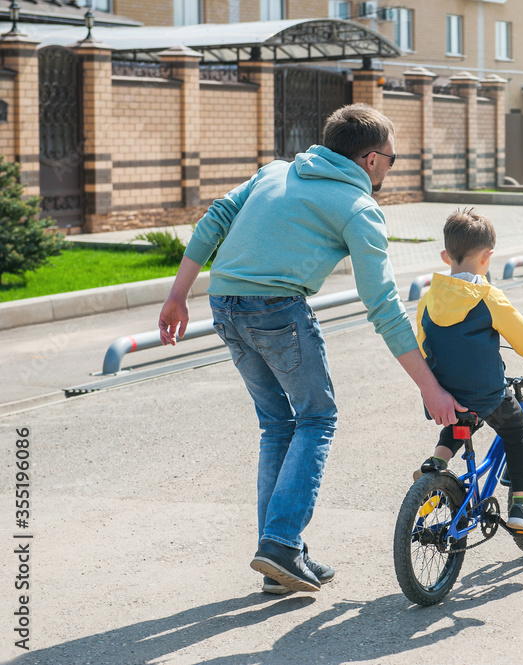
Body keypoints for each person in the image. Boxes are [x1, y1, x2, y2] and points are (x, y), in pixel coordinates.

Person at [157, 104, 463, 594]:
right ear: (369, 159)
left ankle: (281, 555)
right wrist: (431, 388)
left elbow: (215, 219)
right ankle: (279, 543)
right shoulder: (359, 209)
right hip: (277, 310)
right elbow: (383, 306)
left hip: (224, 305)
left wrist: (177, 295)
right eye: (391, 158)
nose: (390, 166)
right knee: (317, 417)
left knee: (278, 424)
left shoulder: (274, 172)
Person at [414, 208, 523, 530]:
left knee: (461, 421)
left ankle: (436, 463)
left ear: (445, 255)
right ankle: (522, 505)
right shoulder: (487, 297)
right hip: (486, 391)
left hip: (444, 393)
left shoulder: (428, 298)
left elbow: (422, 341)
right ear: (487, 257)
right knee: (516, 433)